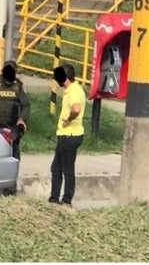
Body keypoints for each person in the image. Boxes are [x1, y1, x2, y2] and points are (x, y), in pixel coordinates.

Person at [49, 63, 86, 207]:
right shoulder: (75, 89)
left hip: (69, 135)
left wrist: (68, 120)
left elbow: (76, 109)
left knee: (67, 169)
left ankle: (66, 199)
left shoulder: (73, 92)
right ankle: (54, 198)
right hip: (69, 135)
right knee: (56, 167)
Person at [0, 60, 30, 160]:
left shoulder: (18, 86)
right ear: (2, 71)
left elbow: (26, 105)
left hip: (12, 127)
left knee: (13, 154)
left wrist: (22, 119)